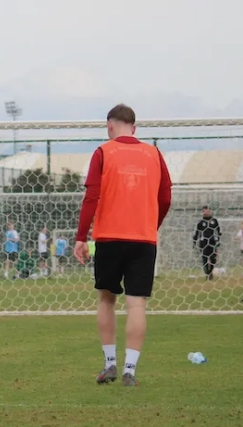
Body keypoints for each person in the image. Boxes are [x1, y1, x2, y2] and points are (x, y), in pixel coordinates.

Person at [74, 104, 172, 387]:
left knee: (106, 299)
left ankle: (110, 365)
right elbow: (166, 197)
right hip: (143, 238)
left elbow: (91, 196)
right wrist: (152, 225)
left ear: (109, 126)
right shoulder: (154, 153)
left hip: (109, 237)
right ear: (134, 128)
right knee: (136, 303)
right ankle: (130, 369)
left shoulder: (103, 152)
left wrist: (81, 236)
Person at [193, 205, 221, 280]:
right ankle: (207, 273)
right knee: (204, 258)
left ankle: (210, 271)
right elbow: (197, 232)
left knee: (213, 258)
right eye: (203, 211)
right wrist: (194, 242)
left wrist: (218, 241)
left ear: (210, 211)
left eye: (207, 211)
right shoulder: (200, 222)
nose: (205, 212)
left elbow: (218, 231)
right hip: (203, 242)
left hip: (212, 242)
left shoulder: (214, 221)